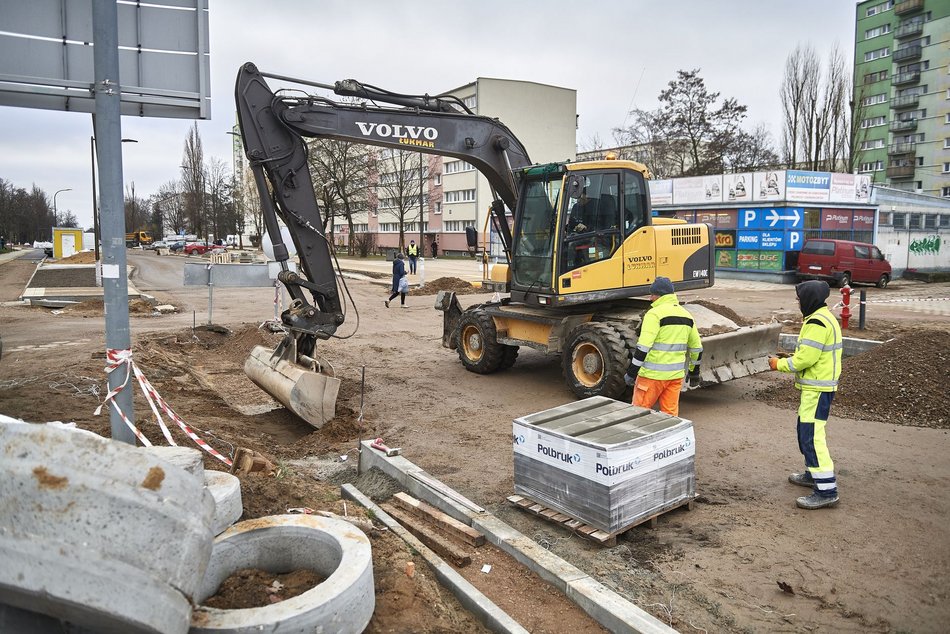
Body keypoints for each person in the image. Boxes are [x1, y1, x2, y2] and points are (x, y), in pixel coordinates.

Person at [768, 280, 842, 510]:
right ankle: (813, 473)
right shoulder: (819, 318)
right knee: (805, 431)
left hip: (817, 389)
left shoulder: (818, 322)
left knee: (812, 437)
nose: (798, 302)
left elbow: (806, 359)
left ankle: (826, 491)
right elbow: (810, 354)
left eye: (800, 298)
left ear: (809, 299)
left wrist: (778, 364)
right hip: (815, 389)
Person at [624, 277, 703, 417]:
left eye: (652, 294)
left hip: (651, 376)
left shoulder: (654, 314)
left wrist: (631, 372)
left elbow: (643, 347)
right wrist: (694, 372)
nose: (650, 298)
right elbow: (696, 348)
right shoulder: (686, 315)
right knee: (670, 416)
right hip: (675, 377)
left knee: (638, 415)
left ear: (658, 295)